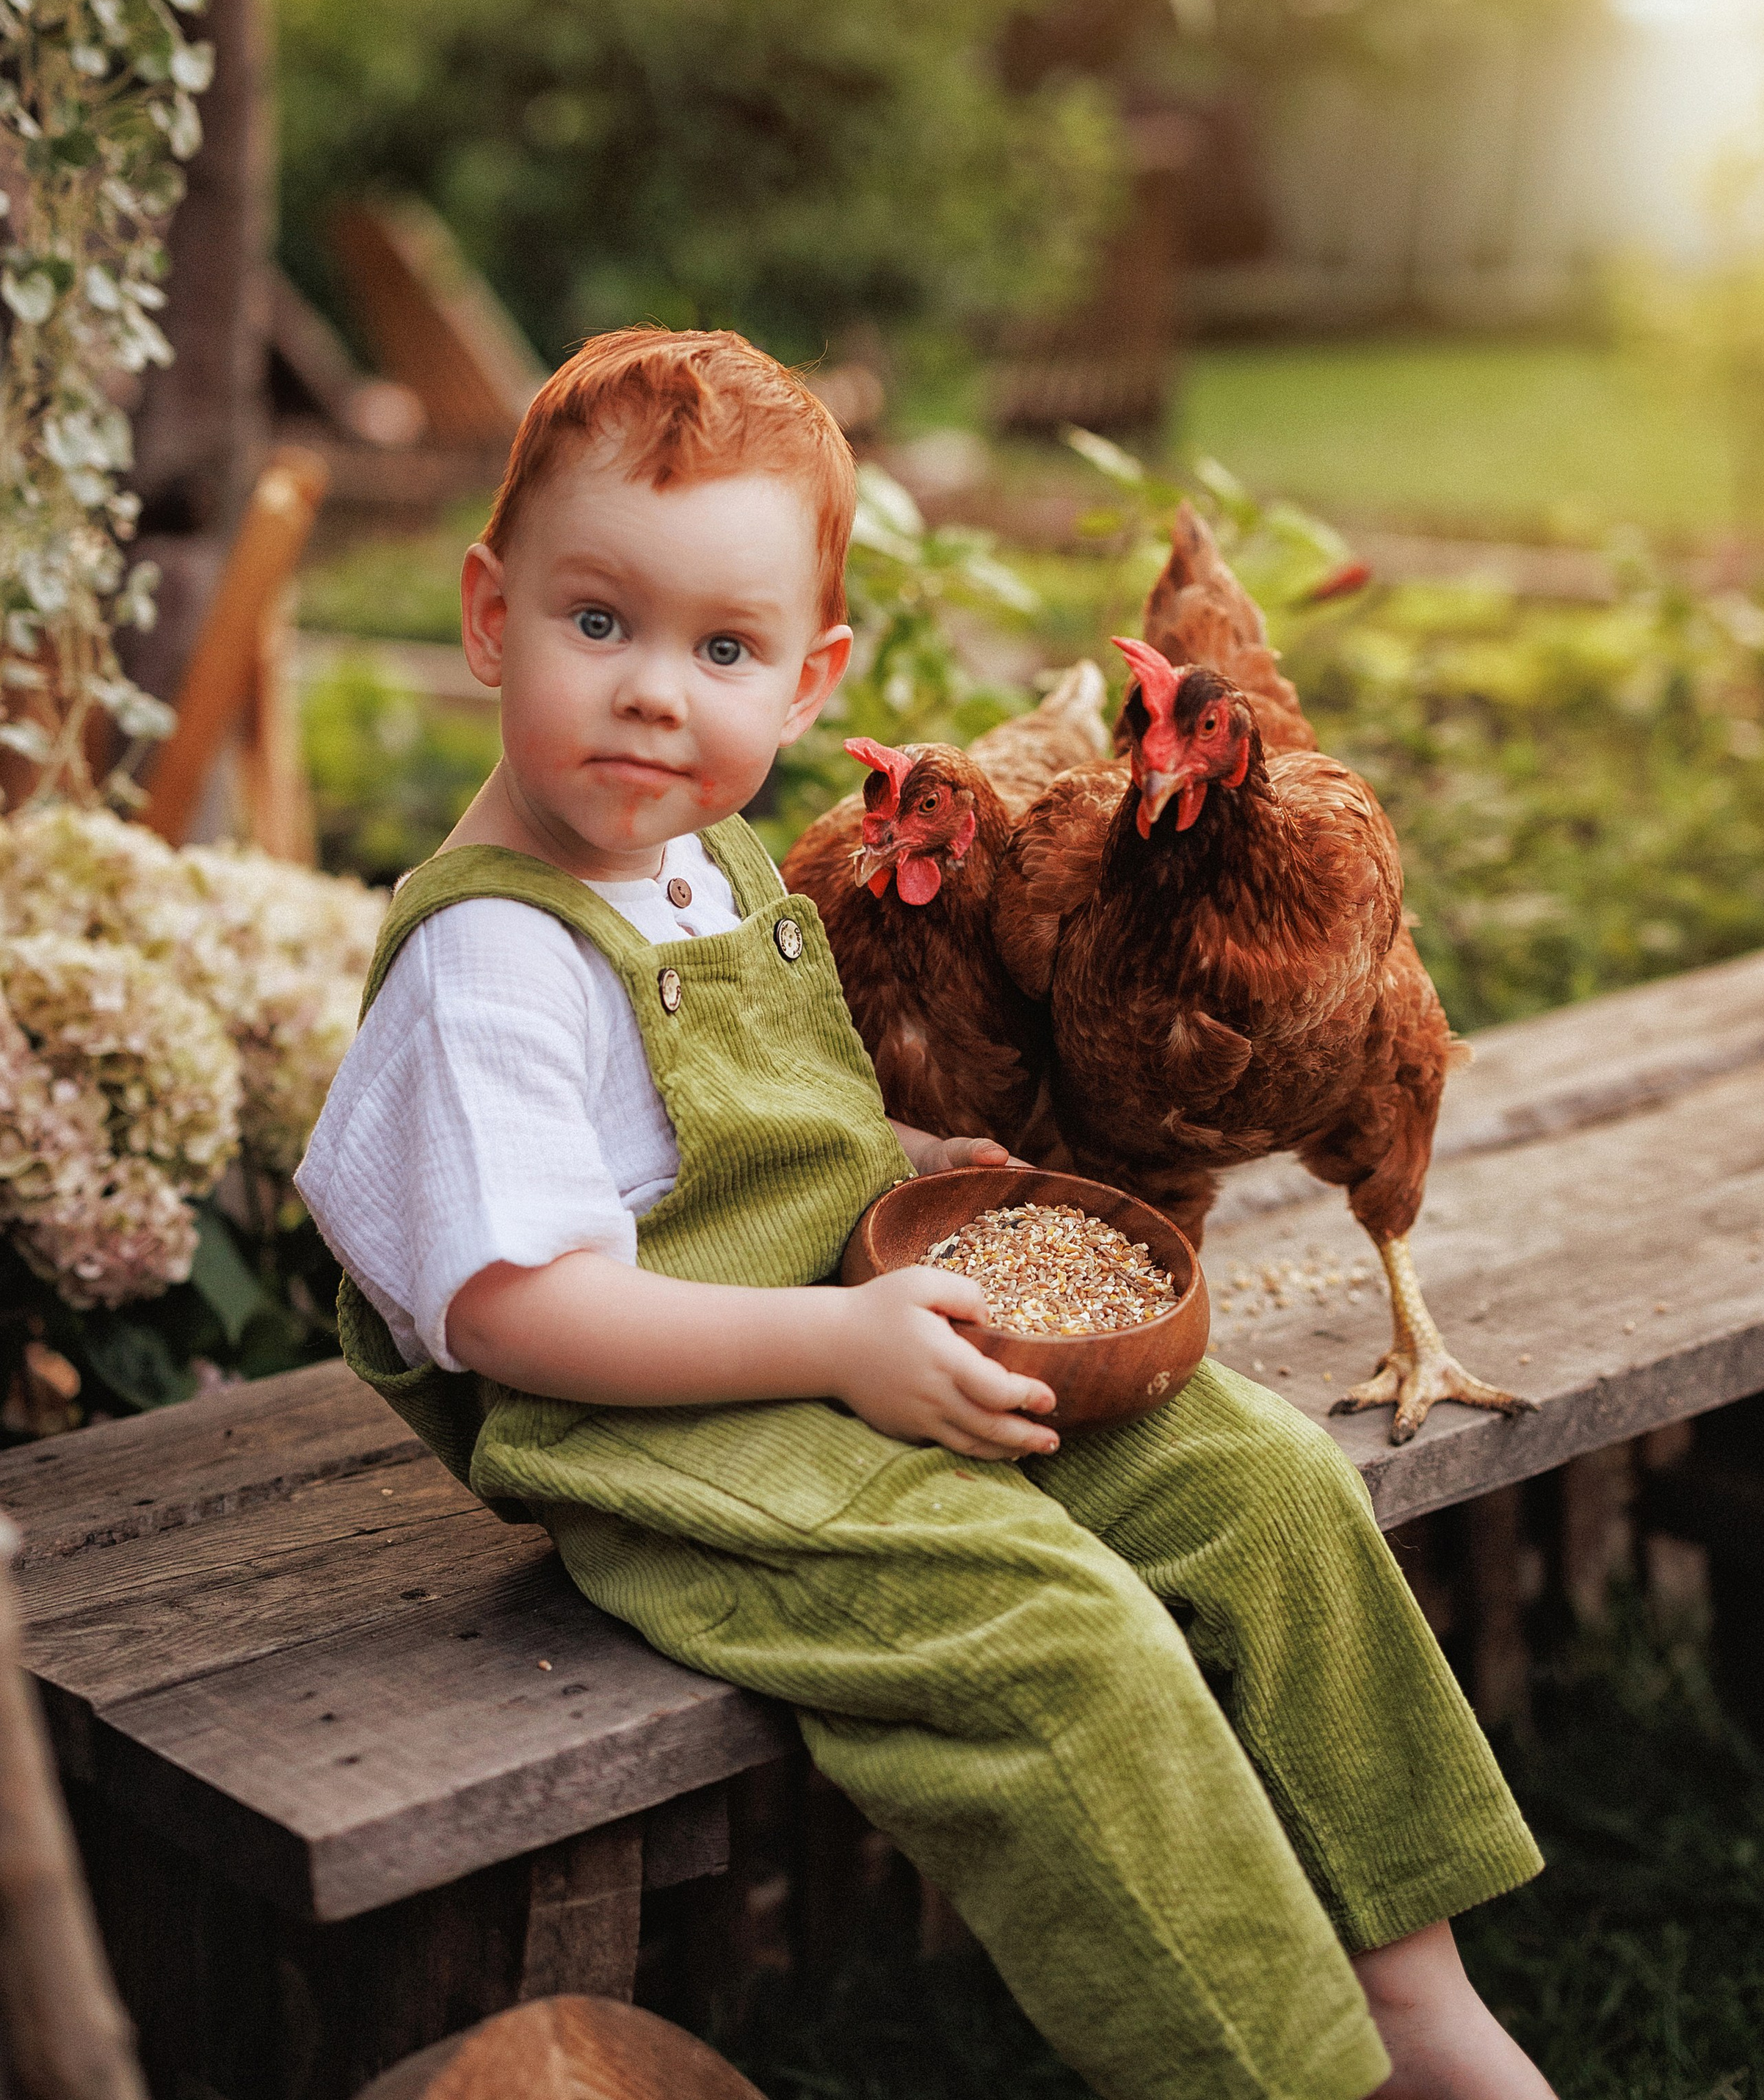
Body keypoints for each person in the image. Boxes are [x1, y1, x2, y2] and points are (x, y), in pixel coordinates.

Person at [297, 325, 1556, 2100]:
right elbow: (515, 1311)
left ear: (807, 681)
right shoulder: (495, 957)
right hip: (659, 1433)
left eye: (721, 648)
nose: (656, 693)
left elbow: (721, 1130)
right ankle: (1281, 2069)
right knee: (1060, 1641)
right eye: (599, 622)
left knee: (1264, 1484)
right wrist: (836, 1340)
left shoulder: (699, 856)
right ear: (491, 617)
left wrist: (903, 1165)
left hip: (854, 1324)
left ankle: (1413, 1986)